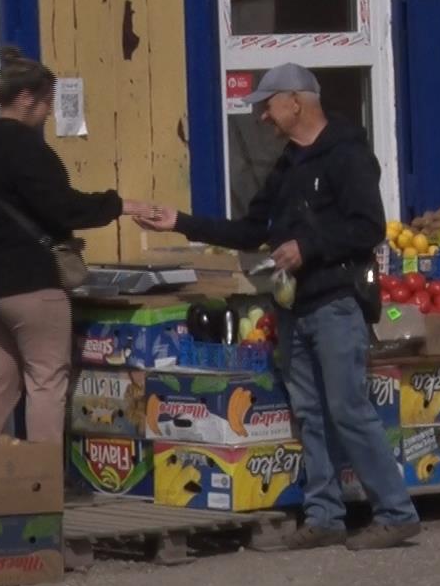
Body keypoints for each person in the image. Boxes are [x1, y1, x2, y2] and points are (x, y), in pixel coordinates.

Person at [135, 63, 420, 550]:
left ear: (296, 101)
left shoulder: (346, 154)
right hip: (295, 308)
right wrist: (180, 221)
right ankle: (325, 515)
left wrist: (307, 248)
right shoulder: (288, 165)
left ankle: (396, 512)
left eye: (268, 106)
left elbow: (368, 227)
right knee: (309, 413)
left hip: (336, 303)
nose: (263, 118)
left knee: (349, 409)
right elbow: (251, 230)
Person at [0, 47, 147, 442]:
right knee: (46, 381)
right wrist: (118, 204)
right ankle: (41, 481)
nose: (47, 113)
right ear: (27, 99)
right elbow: (62, 207)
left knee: (0, 382)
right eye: (46, 103)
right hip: (30, 281)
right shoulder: (26, 148)